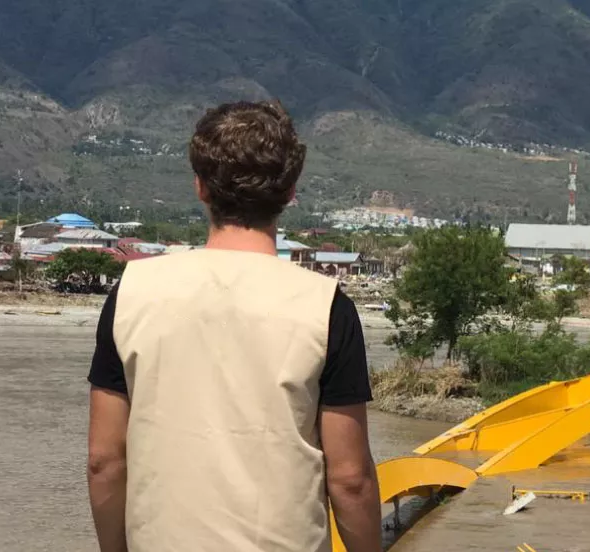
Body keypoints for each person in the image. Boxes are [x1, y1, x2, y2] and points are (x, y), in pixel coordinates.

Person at [86, 100, 382, 552]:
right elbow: (350, 480)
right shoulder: (325, 307)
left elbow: (105, 461)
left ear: (200, 187)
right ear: (289, 192)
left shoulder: (132, 292)